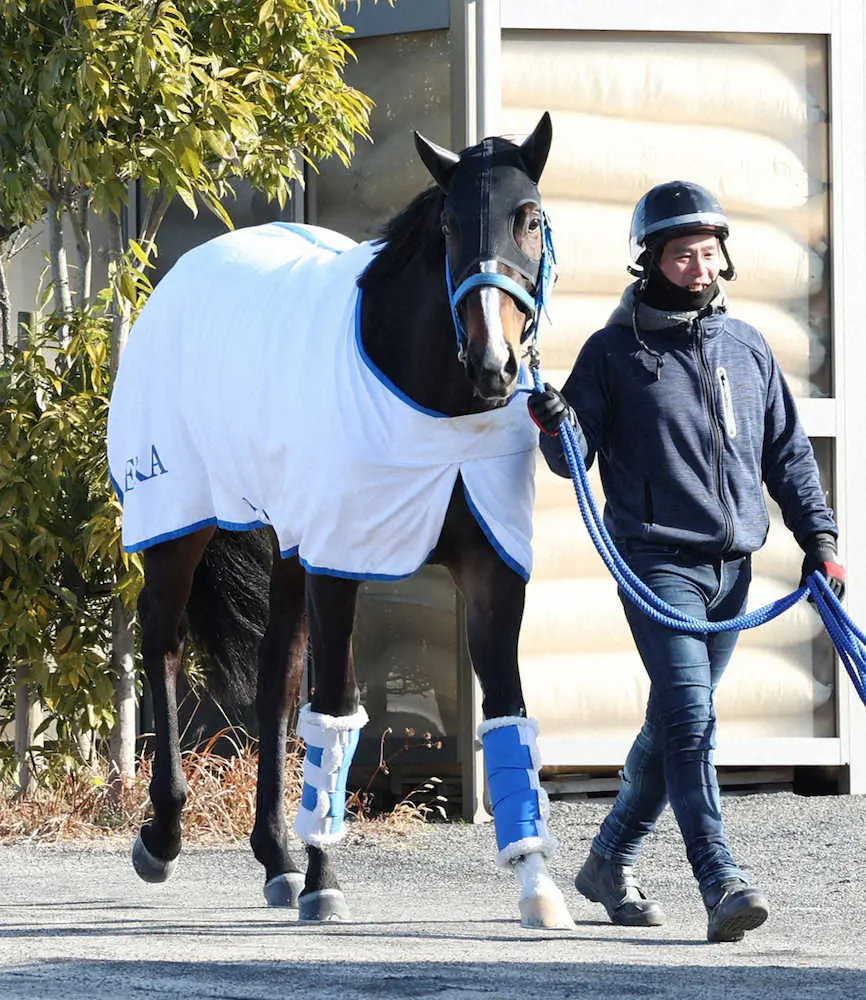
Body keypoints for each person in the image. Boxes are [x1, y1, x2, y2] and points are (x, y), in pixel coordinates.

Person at [527, 180, 846, 943]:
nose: (698, 268)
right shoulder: (613, 353)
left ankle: (609, 860)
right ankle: (720, 880)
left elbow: (788, 457)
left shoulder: (749, 347)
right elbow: (571, 461)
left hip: (733, 572)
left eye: (707, 253)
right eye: (682, 255)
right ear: (650, 261)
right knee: (693, 721)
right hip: (656, 565)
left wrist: (822, 543)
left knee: (670, 722)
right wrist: (555, 423)